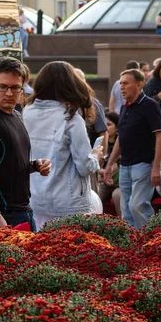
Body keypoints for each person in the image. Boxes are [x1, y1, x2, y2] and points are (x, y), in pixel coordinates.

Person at [0, 57, 52, 232]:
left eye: (15, 88)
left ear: (22, 88)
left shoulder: (16, 115)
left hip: (23, 210)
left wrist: (35, 166)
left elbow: (7, 163)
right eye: (2, 86)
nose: (8, 93)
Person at [23, 61, 103, 230]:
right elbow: (85, 166)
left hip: (35, 197)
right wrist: (96, 156)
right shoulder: (71, 118)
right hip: (68, 202)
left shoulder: (27, 112)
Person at [103, 69, 161, 229]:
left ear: (139, 84)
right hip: (125, 166)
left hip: (143, 165)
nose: (121, 87)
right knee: (126, 211)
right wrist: (110, 163)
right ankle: (132, 246)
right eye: (120, 83)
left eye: (125, 83)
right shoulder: (125, 107)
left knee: (138, 206)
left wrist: (156, 167)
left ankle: (150, 240)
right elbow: (120, 138)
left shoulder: (150, 105)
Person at [98, 111, 122, 216]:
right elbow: (94, 166)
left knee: (117, 195)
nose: (105, 128)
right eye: (104, 124)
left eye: (109, 125)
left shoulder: (121, 142)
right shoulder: (99, 142)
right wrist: (104, 172)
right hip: (102, 180)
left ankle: (124, 225)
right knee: (96, 197)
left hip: (119, 182)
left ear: (117, 128)